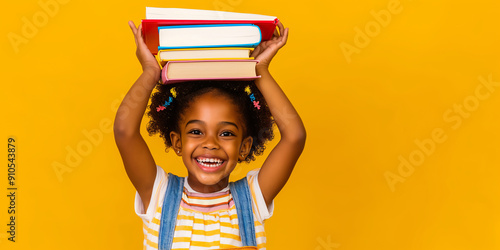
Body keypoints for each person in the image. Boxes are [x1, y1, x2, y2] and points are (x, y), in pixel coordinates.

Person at [114, 19, 306, 250]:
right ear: (177, 142)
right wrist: (150, 72)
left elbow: (294, 136)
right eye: (196, 131)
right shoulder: (158, 195)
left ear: (244, 147)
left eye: (226, 133)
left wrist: (259, 70)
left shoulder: (253, 198)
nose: (211, 143)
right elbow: (125, 132)